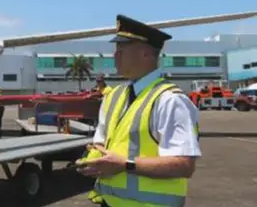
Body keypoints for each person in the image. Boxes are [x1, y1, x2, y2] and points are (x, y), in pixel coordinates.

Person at [77, 14, 201, 207]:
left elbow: (184, 165)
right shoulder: (113, 96)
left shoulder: (170, 100)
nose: (115, 55)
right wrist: (94, 159)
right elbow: (103, 145)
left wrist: (124, 165)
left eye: (121, 50)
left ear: (145, 54)